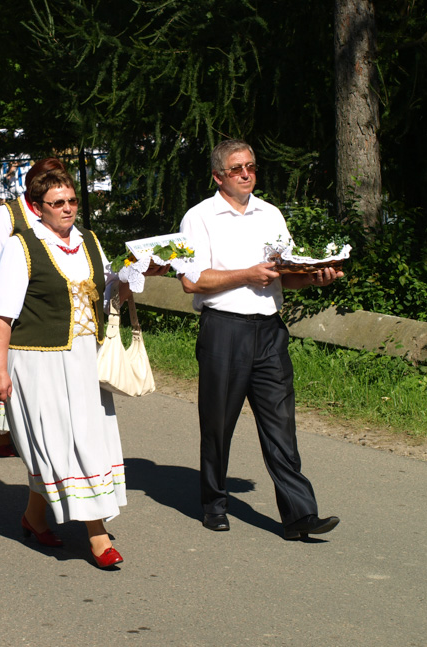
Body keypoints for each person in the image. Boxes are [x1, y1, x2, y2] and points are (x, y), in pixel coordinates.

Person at [0, 168, 159, 569]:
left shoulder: (89, 241)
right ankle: (98, 537)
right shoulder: (22, 247)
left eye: (71, 201)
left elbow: (105, 293)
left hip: (85, 357)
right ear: (37, 208)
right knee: (63, 442)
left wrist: (134, 276)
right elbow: (1, 317)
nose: (67, 209)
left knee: (82, 439)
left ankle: (34, 516)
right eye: (57, 204)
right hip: (37, 360)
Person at [179, 139, 342, 540]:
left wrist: (313, 277)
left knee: (281, 425)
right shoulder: (199, 218)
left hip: (269, 329)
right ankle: (214, 503)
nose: (246, 174)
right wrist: (245, 275)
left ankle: (299, 515)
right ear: (219, 176)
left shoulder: (270, 214)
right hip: (224, 329)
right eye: (237, 169)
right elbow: (191, 280)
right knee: (218, 424)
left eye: (251, 166)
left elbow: (282, 272)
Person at [0, 157, 66, 457]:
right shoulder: (8, 214)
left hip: (43, 303)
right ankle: (2, 430)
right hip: (12, 303)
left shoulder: (60, 213)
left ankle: (38, 430)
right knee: (7, 365)